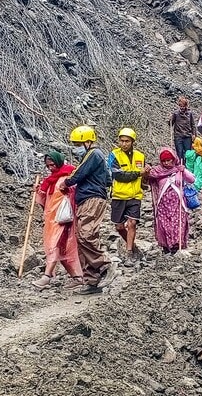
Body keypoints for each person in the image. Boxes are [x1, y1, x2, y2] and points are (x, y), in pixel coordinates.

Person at [60, 125, 117, 294]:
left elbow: (78, 174)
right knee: (83, 238)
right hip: (89, 198)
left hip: (91, 198)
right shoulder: (95, 157)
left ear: (88, 141)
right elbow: (107, 179)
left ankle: (105, 265)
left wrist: (66, 182)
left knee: (86, 234)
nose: (76, 147)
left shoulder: (93, 154)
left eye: (78, 143)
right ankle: (92, 280)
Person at [32, 152, 84, 290]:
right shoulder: (50, 181)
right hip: (52, 220)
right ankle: (77, 278)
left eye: (52, 164)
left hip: (63, 220)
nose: (50, 168)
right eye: (48, 166)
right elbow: (46, 203)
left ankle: (47, 276)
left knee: (56, 245)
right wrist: (39, 192)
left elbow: (72, 197)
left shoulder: (68, 177)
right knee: (61, 248)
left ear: (59, 162)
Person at [108, 127, 147, 266]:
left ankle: (129, 251)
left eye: (127, 141)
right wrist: (138, 173)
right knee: (119, 227)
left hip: (135, 195)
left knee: (132, 223)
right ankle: (133, 246)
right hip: (119, 195)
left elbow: (143, 176)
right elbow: (118, 175)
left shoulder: (140, 156)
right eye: (122, 141)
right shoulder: (114, 155)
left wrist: (145, 177)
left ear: (132, 142)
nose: (124, 144)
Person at [146, 148, 195, 254]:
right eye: (164, 161)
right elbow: (147, 178)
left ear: (173, 159)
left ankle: (176, 245)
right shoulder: (157, 171)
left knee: (177, 224)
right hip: (163, 205)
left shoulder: (179, 169)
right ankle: (167, 245)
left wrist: (183, 170)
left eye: (169, 160)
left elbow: (191, 179)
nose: (166, 163)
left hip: (177, 203)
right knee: (165, 225)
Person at [168, 96, 197, 161]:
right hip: (178, 136)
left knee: (187, 153)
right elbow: (170, 124)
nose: (182, 108)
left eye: (183, 106)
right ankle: (180, 166)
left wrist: (194, 134)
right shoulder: (176, 113)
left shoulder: (190, 113)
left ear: (186, 106)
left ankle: (187, 167)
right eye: (180, 106)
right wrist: (170, 119)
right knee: (179, 153)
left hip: (187, 136)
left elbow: (193, 125)